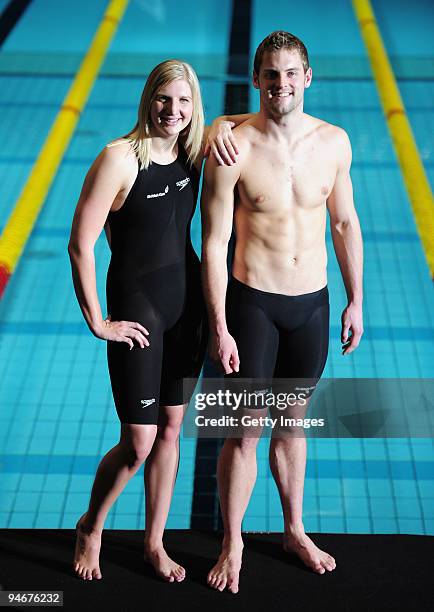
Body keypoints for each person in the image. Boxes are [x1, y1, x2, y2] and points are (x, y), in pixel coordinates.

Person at [68, 59, 248, 582]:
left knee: (171, 429)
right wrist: (98, 321)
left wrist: (216, 125)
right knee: (138, 441)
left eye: (185, 102)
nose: (174, 111)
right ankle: (91, 525)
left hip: (186, 308)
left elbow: (250, 120)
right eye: (164, 99)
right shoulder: (120, 159)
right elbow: (80, 244)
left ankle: (154, 542)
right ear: (148, 99)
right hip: (138, 311)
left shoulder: (193, 153)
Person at [201, 31, 364, 594]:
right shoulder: (231, 147)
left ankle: (295, 529)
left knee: (292, 424)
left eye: (290, 72)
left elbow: (344, 223)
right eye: (270, 73)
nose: (281, 83)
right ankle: (232, 541)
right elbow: (216, 241)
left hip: (311, 305)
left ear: (307, 76)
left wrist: (356, 299)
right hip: (253, 305)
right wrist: (220, 324)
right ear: (256, 79)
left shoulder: (335, 142)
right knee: (245, 431)